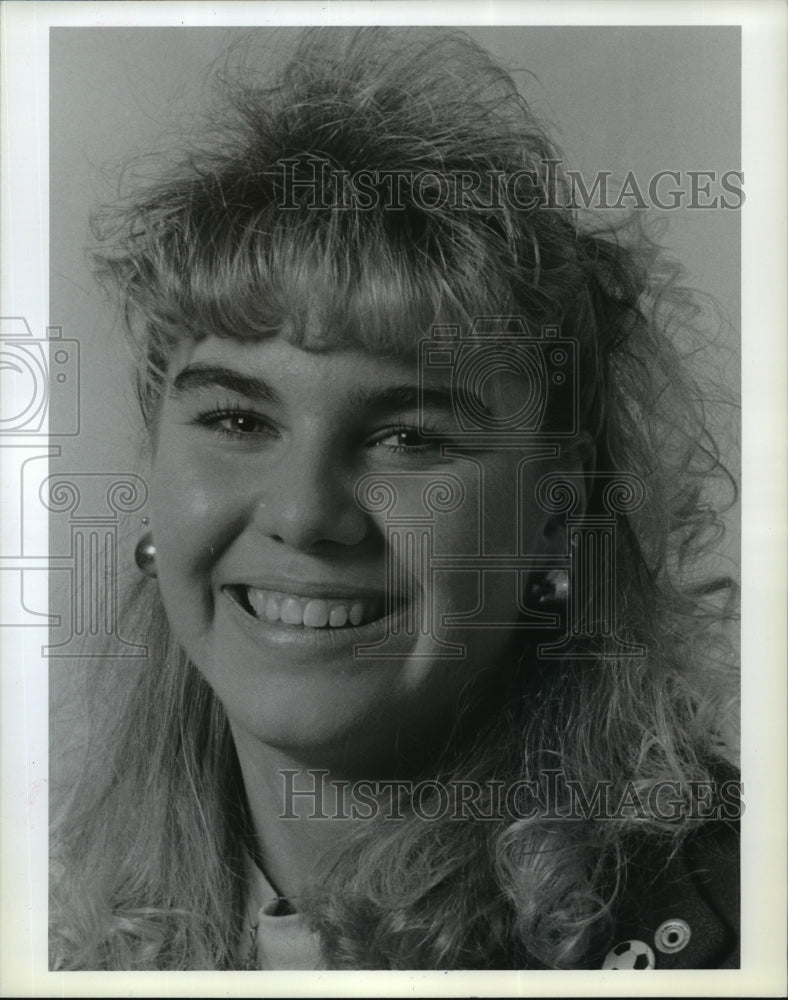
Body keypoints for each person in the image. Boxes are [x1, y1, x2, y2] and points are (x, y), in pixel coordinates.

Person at [50, 27, 740, 971]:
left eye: (410, 436)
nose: (302, 513)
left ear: (555, 510)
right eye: (239, 423)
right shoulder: (61, 913)